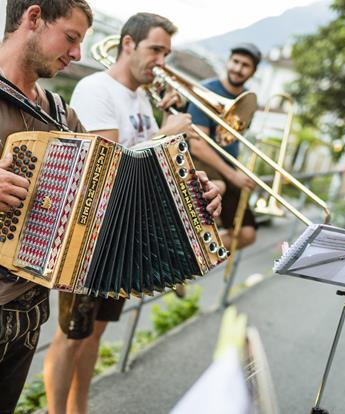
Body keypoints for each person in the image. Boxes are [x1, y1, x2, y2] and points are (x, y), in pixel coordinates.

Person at [44, 12, 222, 414]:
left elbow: (150, 169)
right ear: (128, 44)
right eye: (155, 49)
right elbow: (106, 166)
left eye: (167, 52)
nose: (162, 61)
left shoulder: (143, 97)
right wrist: (167, 133)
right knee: (70, 336)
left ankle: (79, 408)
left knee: (94, 336)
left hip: (123, 237)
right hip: (91, 234)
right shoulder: (95, 89)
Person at [0, 1, 93, 413]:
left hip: (29, 310)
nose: (76, 54)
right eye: (71, 38)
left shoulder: (62, 116)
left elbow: (111, 181)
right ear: (33, 18)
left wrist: (186, 189)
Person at [187, 43, 262, 250]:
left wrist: (239, 172)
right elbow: (197, 145)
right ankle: (188, 259)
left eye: (245, 65)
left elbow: (233, 140)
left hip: (228, 169)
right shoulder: (207, 91)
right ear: (228, 62)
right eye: (235, 61)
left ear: (253, 72)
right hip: (206, 167)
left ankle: (194, 256)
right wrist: (233, 175)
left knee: (246, 233)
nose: (238, 68)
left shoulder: (247, 100)